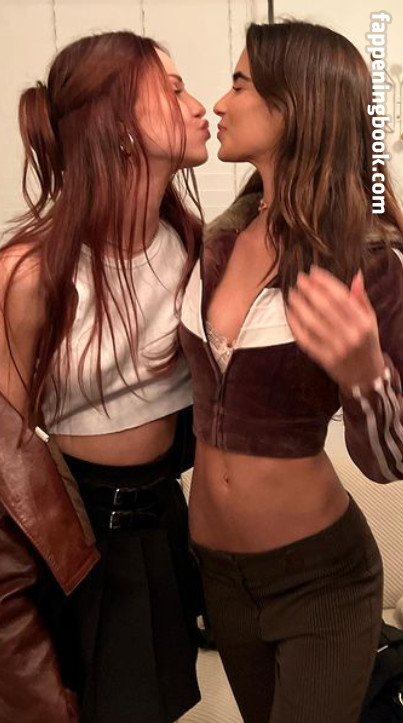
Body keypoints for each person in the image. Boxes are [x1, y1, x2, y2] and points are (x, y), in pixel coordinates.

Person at [179, 20, 403, 723]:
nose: (220, 102)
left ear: (294, 105)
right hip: (219, 578)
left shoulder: (367, 262)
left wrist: (365, 375)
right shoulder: (216, 241)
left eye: (240, 84)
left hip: (319, 581)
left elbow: (390, 462)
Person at [0, 30, 210, 723]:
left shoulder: (196, 249)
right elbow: (4, 459)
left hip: (168, 527)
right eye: (172, 89)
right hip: (74, 542)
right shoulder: (31, 273)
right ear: (117, 125)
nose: (198, 105)